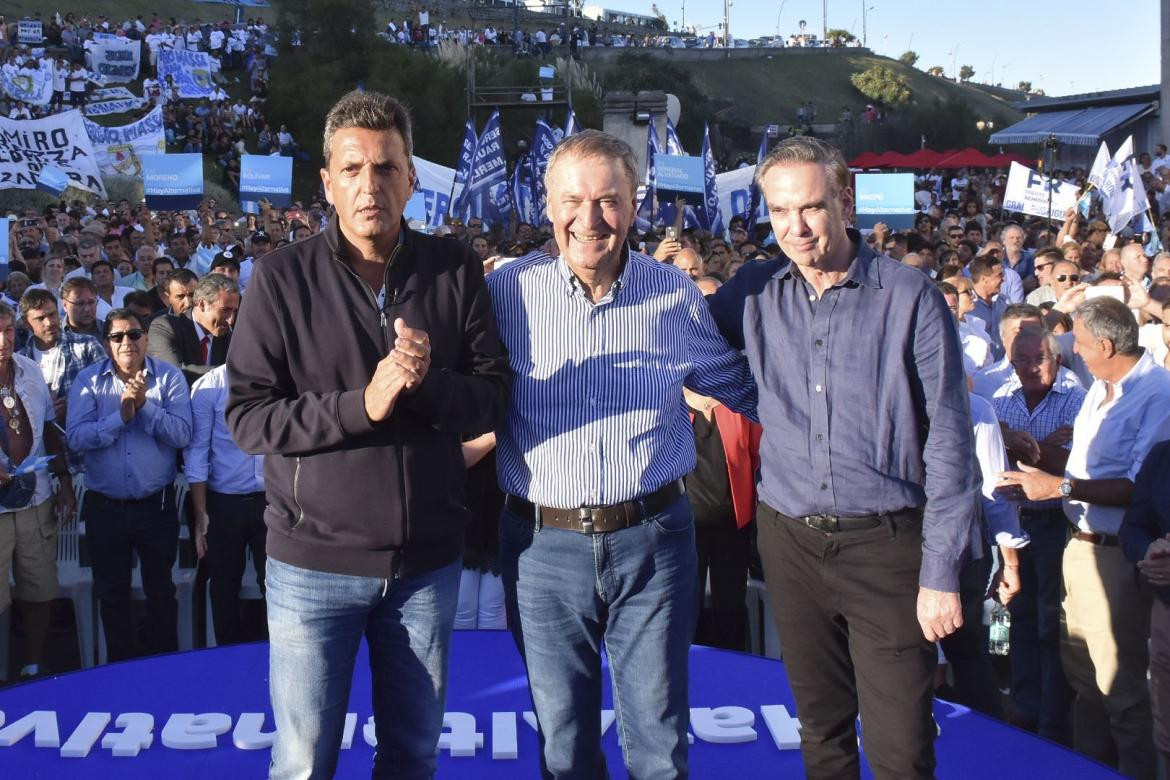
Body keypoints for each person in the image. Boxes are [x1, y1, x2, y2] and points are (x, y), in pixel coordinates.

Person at [225, 90, 510, 779]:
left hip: (425, 567)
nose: (370, 185)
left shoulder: (455, 267)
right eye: (352, 169)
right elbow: (249, 419)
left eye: (386, 167)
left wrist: (425, 382)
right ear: (327, 181)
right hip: (310, 566)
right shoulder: (281, 277)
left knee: (412, 756)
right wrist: (366, 403)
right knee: (303, 763)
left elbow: (491, 400)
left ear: (412, 177)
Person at [707, 136, 977, 779]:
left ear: (845, 201)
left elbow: (948, 440)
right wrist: (756, 398)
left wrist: (940, 573)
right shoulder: (752, 289)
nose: (794, 228)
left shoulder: (910, 297)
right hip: (790, 546)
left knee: (901, 747)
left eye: (811, 208)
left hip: (888, 550)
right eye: (778, 212)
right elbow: (681, 343)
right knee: (820, 735)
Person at [488, 129, 756, 779]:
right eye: (572, 199)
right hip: (541, 548)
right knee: (564, 748)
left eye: (608, 199)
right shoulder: (505, 295)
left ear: (634, 206)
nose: (590, 218)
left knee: (661, 747)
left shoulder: (675, 293)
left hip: (656, 543)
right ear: (546, 205)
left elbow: (745, 391)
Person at [999, 296, 1170, 778]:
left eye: (1082, 343)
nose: (1073, 351)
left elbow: (1140, 489)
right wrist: (1032, 456)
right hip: (1079, 546)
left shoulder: (1157, 395)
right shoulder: (1101, 386)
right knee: (1084, 683)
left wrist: (1060, 487)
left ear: (1108, 344)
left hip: (1115, 560)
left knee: (1122, 690)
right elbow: (1079, 469)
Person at [66, 309, 193, 662]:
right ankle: (119, 671)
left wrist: (145, 409)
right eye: (117, 336)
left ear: (146, 339)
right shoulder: (89, 381)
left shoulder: (168, 378)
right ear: (107, 343)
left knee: (161, 592)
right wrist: (120, 417)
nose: (127, 342)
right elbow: (76, 439)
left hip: (157, 505)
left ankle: (163, 668)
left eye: (134, 334)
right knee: (111, 594)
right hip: (105, 506)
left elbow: (183, 434)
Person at [992, 327, 1085, 741]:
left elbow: (1076, 468)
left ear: (1057, 358)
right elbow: (989, 457)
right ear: (1010, 361)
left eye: (1039, 359)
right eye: (1022, 360)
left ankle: (1052, 725)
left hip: (1052, 526)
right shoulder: (997, 400)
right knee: (1017, 619)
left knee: (1050, 625)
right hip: (1008, 526)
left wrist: (1021, 445)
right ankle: (1025, 714)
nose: (1031, 368)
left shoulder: (1077, 401)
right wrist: (1045, 448)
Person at [0, 302, 75, 679]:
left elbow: (47, 427)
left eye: (9, 331)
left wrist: (63, 480)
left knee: (39, 587)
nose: (3, 340)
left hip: (35, 496)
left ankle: (32, 665)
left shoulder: (28, 370)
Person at [185, 363, 266, 646]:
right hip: (224, 503)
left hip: (272, 501)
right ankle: (226, 657)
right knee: (223, 588)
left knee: (278, 587)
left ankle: (276, 657)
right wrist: (200, 513)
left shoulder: (283, 373)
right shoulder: (210, 387)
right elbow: (197, 452)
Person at [1119, 440, 1170, 770]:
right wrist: (1150, 550)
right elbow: (1133, 527)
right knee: (1166, 735)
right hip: (1165, 615)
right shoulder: (1163, 456)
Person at [148, 273, 239, 386]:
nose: (231, 320)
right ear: (202, 304)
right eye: (225, 310)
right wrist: (233, 373)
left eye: (234, 311)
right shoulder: (165, 327)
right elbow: (175, 372)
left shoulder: (230, 334)